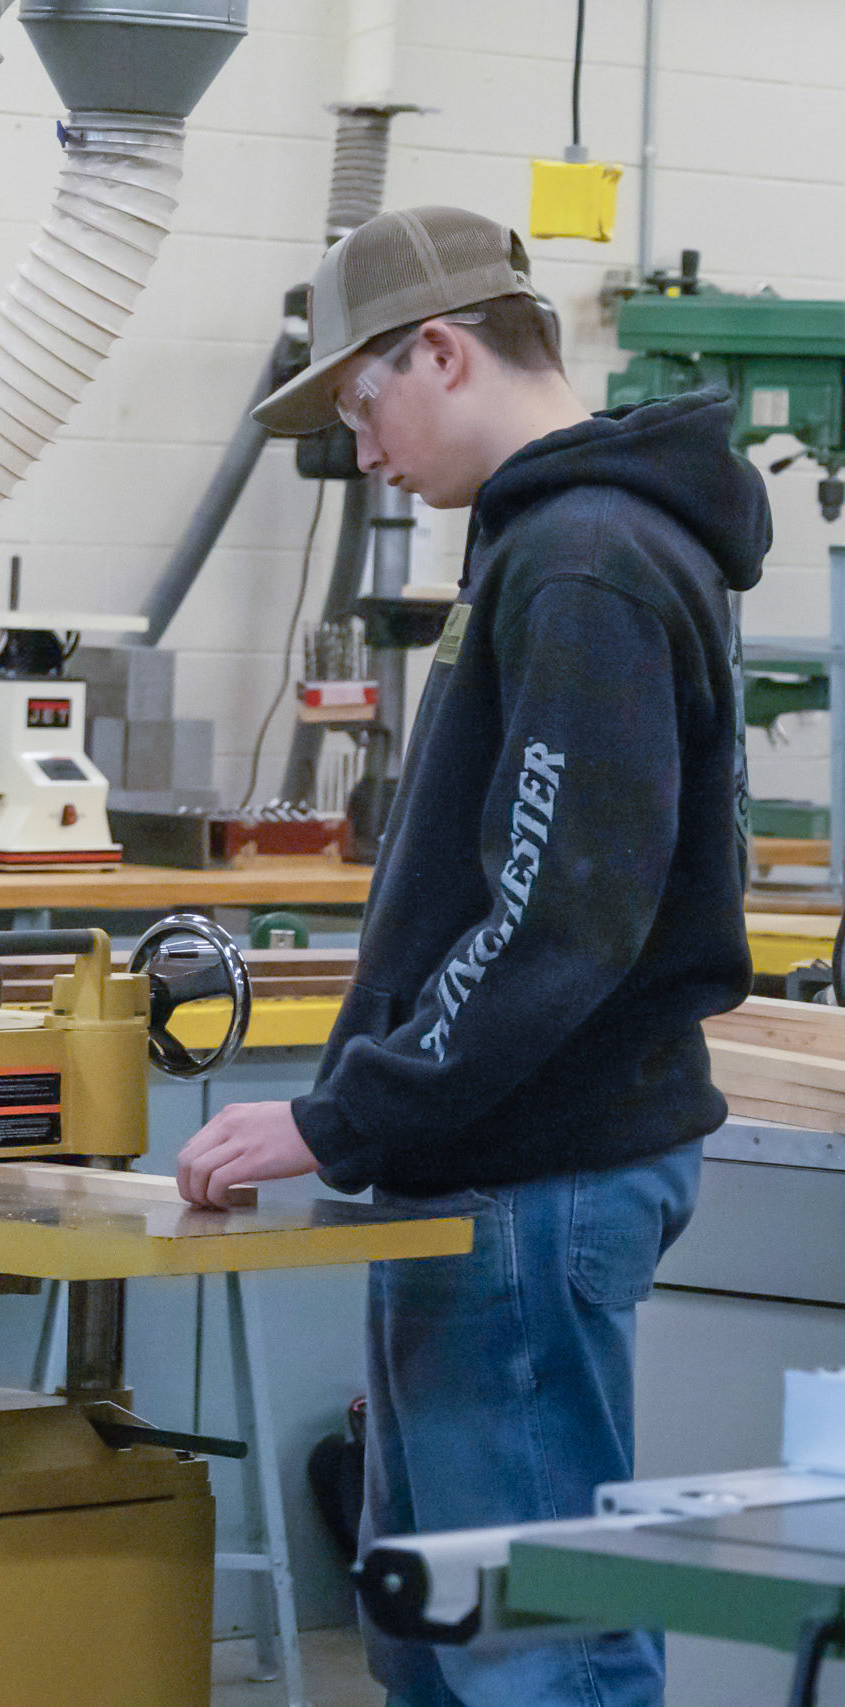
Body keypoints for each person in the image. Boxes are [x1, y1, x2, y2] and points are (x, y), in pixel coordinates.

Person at [175, 206, 769, 1707]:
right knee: (441, 1637)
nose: (364, 452)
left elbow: (558, 916)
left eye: (363, 406)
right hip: (495, 1167)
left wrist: (338, 1115)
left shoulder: (585, 561)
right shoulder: (553, 545)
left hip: (532, 1174)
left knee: (535, 1656)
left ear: (438, 351)